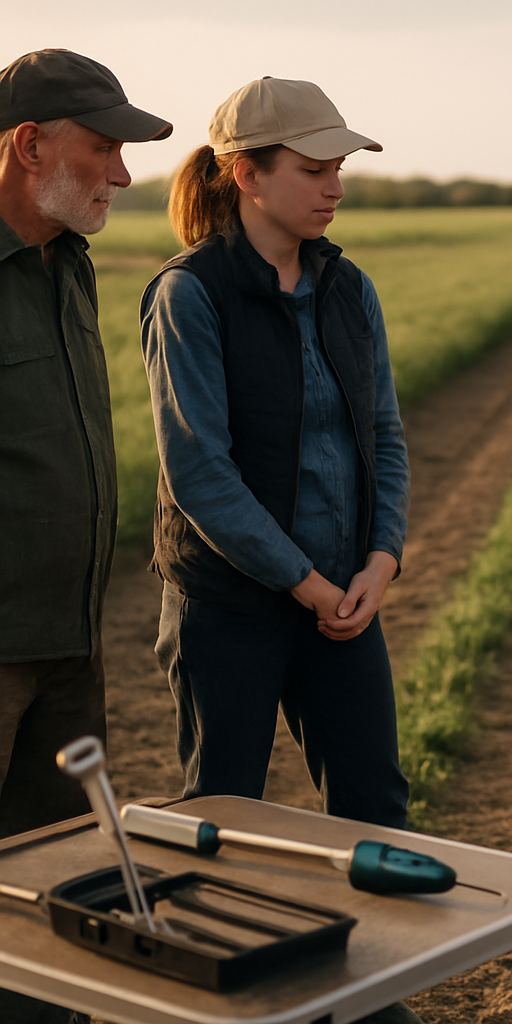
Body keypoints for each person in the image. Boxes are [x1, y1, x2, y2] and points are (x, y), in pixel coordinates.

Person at [140, 77, 410, 830]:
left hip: (346, 598)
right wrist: (307, 584)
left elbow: (383, 434)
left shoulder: (348, 287)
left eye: (339, 171)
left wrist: (380, 560)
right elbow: (200, 472)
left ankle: (375, 953)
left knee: (375, 808)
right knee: (225, 819)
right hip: (229, 606)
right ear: (247, 176)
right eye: (314, 170)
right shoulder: (189, 294)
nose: (336, 189)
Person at [0, 47, 171, 1024]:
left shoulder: (70, 263)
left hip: (69, 638)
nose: (120, 172)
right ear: (29, 146)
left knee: (60, 890)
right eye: (102, 147)